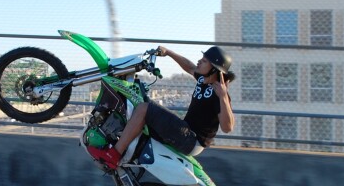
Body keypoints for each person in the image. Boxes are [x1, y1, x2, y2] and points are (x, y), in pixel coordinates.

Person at [86, 45, 236, 169]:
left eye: (204, 61)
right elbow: (189, 67)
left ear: (214, 69)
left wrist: (223, 97)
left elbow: (228, 127)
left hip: (192, 139)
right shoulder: (203, 79)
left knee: (144, 109)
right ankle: (120, 147)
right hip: (185, 131)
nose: (199, 61)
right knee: (140, 103)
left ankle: (113, 156)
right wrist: (169, 53)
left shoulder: (219, 93)